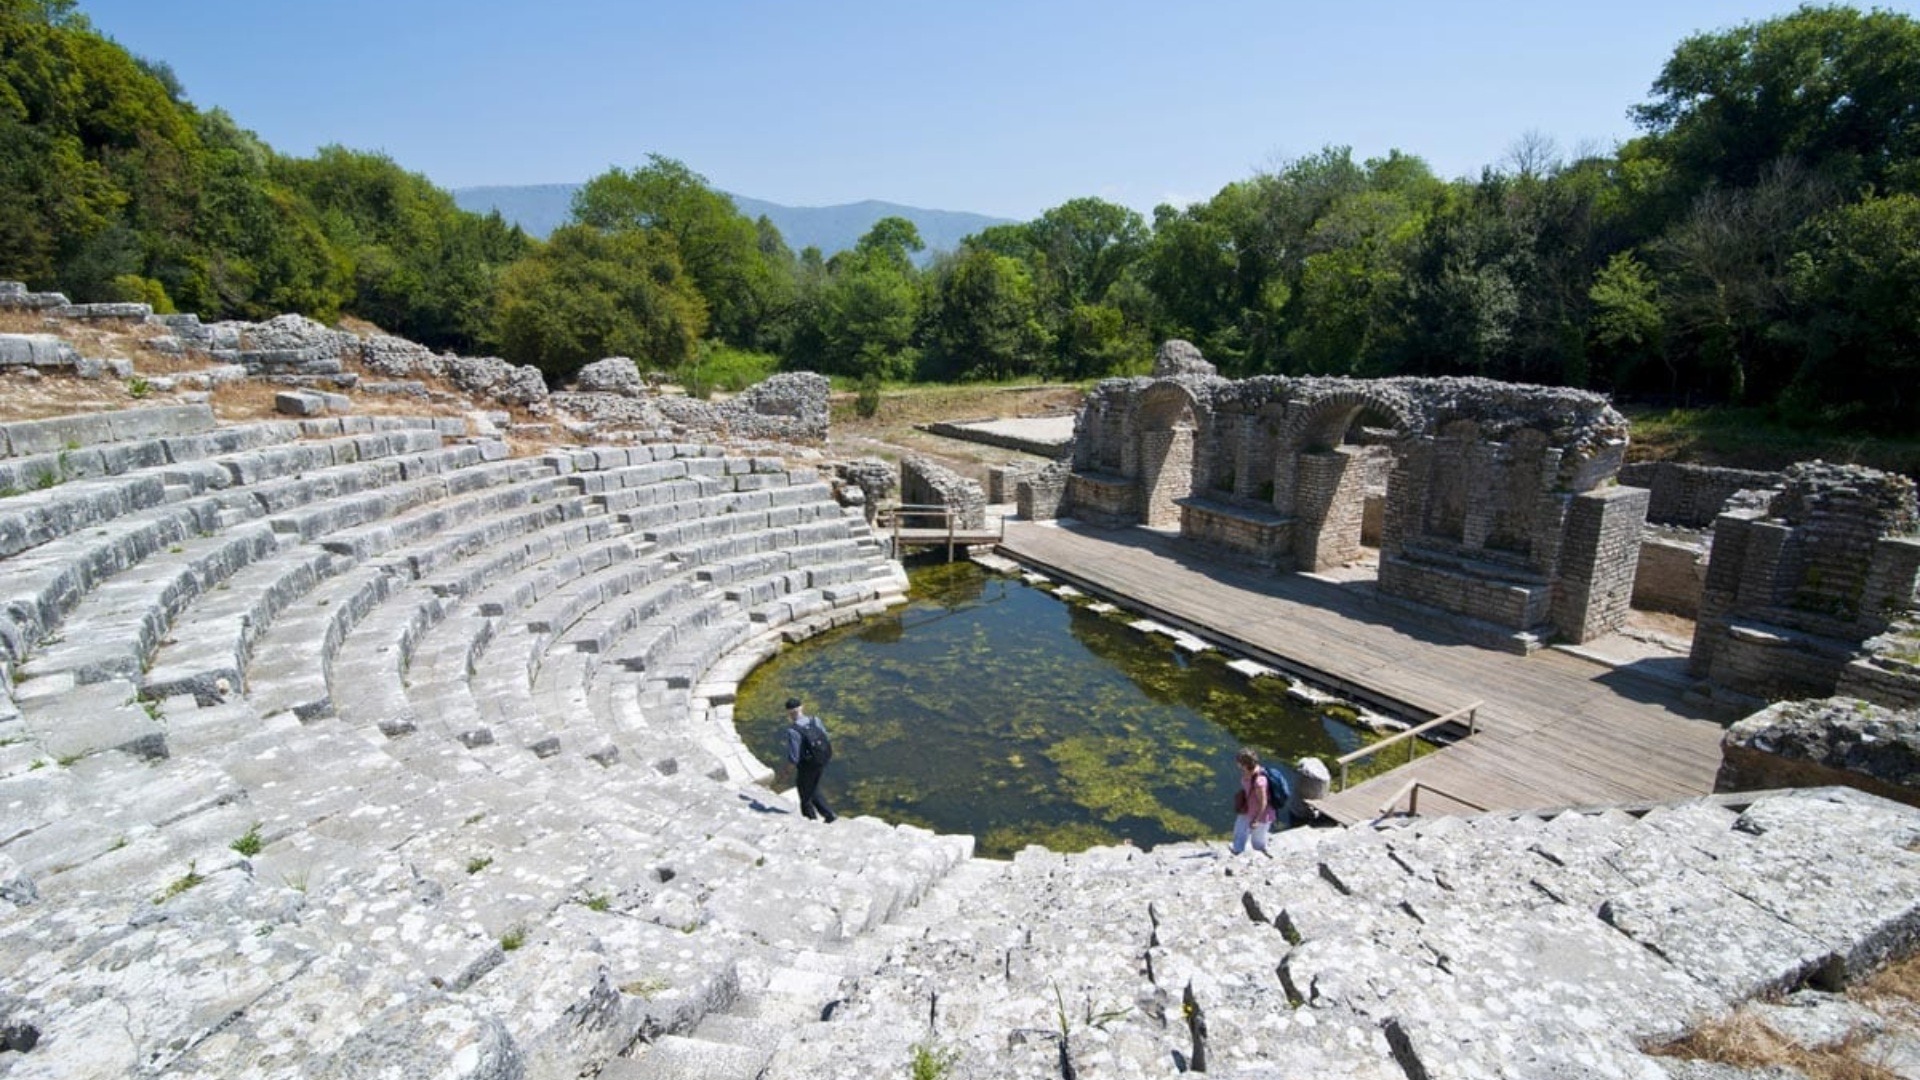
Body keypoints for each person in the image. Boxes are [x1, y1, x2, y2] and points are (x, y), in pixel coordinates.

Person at [783, 696, 836, 823]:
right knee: (813, 787)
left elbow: (794, 757)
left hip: (807, 766)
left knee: (805, 795)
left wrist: (785, 773)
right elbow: (826, 737)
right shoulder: (815, 720)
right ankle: (829, 815)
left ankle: (810, 821)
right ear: (802, 707)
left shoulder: (793, 731)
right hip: (821, 760)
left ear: (789, 713)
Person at [1230, 748, 1275, 855]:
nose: (1237, 764)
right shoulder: (1249, 772)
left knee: (1257, 841)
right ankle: (1237, 850)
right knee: (1239, 832)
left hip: (1260, 814)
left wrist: (1256, 820)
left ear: (1244, 764)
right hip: (1248, 808)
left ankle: (1258, 856)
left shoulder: (1259, 781)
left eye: (1239, 762)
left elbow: (1263, 802)